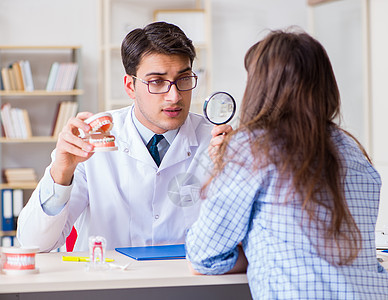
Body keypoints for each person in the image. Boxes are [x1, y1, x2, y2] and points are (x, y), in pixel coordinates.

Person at [185, 28, 388, 299]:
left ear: (260, 88)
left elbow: (203, 256)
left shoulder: (252, 147)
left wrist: (251, 248)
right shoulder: (354, 151)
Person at [17, 22, 230, 252]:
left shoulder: (217, 141)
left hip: (190, 283)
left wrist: (235, 172)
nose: (174, 96)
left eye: (184, 79)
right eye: (157, 82)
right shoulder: (92, 137)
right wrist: (61, 172)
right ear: (130, 86)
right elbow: (33, 244)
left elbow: (234, 239)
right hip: (110, 283)